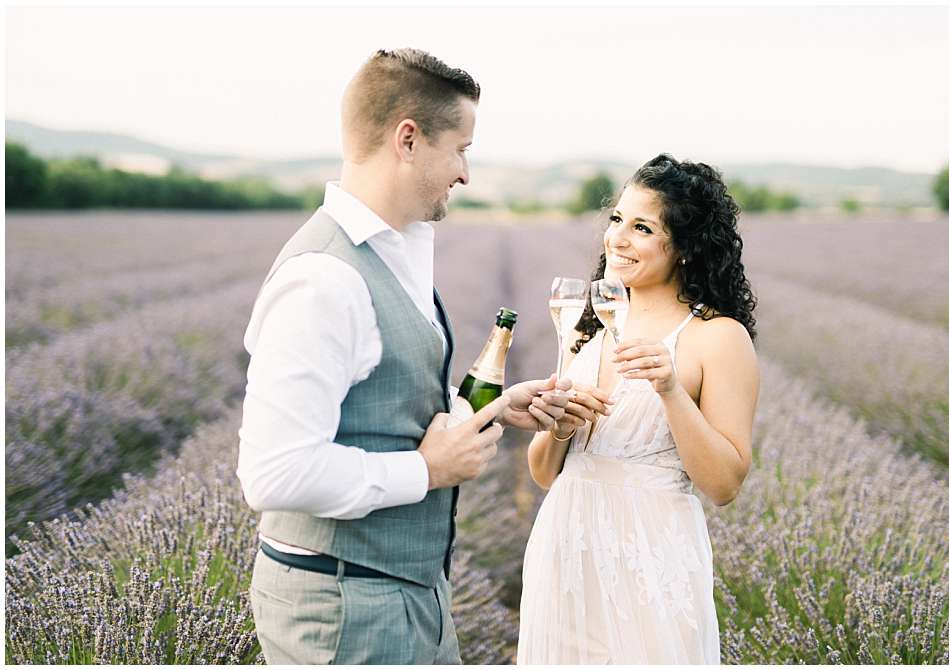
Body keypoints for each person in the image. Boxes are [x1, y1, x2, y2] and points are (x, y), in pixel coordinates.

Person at [236, 48, 570, 665]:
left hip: (403, 592)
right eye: (461, 148)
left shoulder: (400, 251)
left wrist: (491, 410)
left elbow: (384, 399)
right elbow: (273, 473)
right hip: (345, 608)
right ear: (408, 139)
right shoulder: (323, 280)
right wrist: (426, 470)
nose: (466, 173)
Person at [517, 154, 760, 664]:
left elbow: (724, 485)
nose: (617, 239)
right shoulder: (593, 327)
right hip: (564, 553)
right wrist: (559, 426)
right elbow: (545, 475)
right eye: (616, 220)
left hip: (652, 562)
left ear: (687, 248)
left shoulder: (717, 338)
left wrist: (670, 390)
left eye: (642, 227)